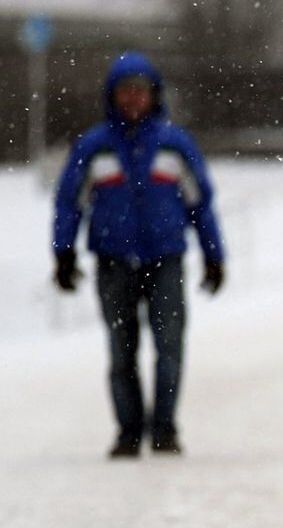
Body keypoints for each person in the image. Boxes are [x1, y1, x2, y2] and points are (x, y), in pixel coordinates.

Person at [52, 51, 225, 459]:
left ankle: (164, 428)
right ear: (111, 97)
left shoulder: (174, 145)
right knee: (120, 349)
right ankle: (129, 431)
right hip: (113, 262)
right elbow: (68, 203)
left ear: (154, 96)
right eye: (124, 91)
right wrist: (63, 252)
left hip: (165, 259)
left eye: (140, 91)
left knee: (169, 346)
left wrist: (214, 255)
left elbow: (200, 203)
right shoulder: (93, 148)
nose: (132, 99)